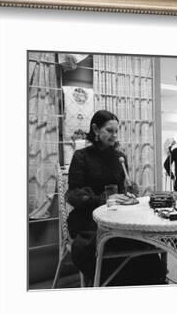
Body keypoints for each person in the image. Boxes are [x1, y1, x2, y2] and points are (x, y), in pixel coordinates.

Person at [67, 110, 165, 286]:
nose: (114, 136)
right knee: (105, 244)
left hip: (116, 217)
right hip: (88, 219)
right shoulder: (81, 157)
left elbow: (121, 191)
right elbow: (73, 195)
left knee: (141, 240)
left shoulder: (120, 157)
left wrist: (129, 191)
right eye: (109, 131)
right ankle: (113, 285)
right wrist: (103, 199)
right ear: (96, 129)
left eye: (116, 131)